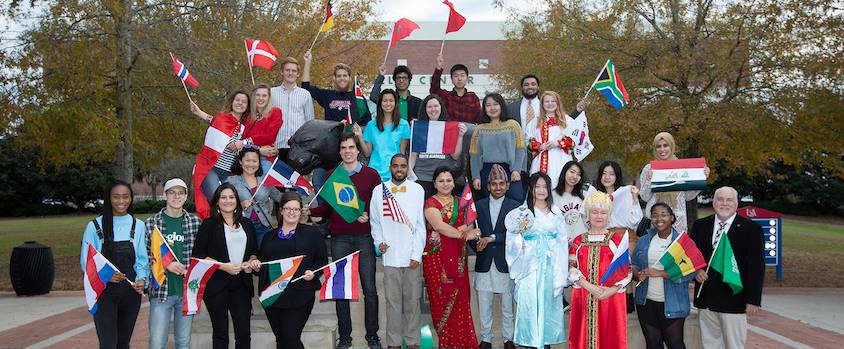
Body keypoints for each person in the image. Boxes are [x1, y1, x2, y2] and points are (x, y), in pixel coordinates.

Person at [305, 133, 383, 349]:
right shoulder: (333, 175)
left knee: (370, 289)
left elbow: (379, 205)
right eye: (343, 148)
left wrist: (367, 212)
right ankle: (345, 337)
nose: (348, 151)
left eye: (351, 147)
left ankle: (372, 335)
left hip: (364, 238)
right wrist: (308, 211)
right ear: (339, 152)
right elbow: (327, 209)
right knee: (341, 289)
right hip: (339, 239)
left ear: (358, 150)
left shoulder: (371, 175)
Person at [690, 186, 764, 349]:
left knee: (733, 345)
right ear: (714, 202)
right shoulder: (700, 225)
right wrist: (696, 270)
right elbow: (691, 256)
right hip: (707, 300)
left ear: (736, 203)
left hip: (735, 300)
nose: (724, 203)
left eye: (729, 200)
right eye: (720, 199)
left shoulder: (751, 229)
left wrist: (753, 300)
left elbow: (756, 267)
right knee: (710, 344)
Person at [80, 180, 148, 349]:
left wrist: (142, 279)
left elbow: (142, 259)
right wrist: (106, 275)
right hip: (103, 293)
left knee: (123, 343)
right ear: (108, 198)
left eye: (125, 197)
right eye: (116, 197)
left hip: (130, 293)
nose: (121, 201)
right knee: (108, 344)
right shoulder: (94, 226)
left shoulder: (138, 225)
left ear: (131, 199)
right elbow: (86, 261)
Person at [192, 183, 261, 349]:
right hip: (216, 285)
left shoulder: (247, 223)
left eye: (231, 197)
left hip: (242, 285)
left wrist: (251, 261)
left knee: (244, 333)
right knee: (220, 334)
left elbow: (253, 251)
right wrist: (224, 266)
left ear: (237, 201)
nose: (227, 200)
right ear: (217, 201)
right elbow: (199, 255)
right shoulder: (209, 225)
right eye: (223, 197)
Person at [369, 154, 426, 349]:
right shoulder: (378, 191)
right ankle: (393, 344)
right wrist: (379, 243)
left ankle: (413, 343)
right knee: (392, 305)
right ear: (390, 167)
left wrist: (416, 254)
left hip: (411, 257)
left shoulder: (417, 189)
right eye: (396, 166)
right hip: (390, 256)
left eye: (403, 166)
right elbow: (375, 222)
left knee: (412, 305)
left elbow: (420, 225)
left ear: (407, 168)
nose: (399, 169)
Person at [504, 172, 568, 348]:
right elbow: (512, 240)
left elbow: (562, 243)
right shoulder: (521, 213)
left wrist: (561, 271)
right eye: (537, 186)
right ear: (531, 189)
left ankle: (545, 342)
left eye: (544, 187)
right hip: (530, 265)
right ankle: (531, 341)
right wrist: (521, 243)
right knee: (530, 305)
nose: (541, 190)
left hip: (550, 264)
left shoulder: (556, 213)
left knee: (548, 305)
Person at [259, 192, 328, 349]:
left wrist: (314, 273)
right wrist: (257, 265)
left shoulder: (312, 234)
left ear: (300, 211)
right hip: (273, 296)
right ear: (281, 211)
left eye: (296, 209)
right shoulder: (268, 237)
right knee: (281, 340)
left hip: (300, 295)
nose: (292, 212)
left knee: (290, 338)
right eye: (288, 208)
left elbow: (321, 261)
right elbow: (263, 264)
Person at [422, 166, 480, 349]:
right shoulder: (430, 203)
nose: (445, 184)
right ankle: (447, 344)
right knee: (442, 302)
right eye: (441, 180)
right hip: (436, 260)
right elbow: (439, 227)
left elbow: (467, 225)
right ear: (434, 184)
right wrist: (464, 233)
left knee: (461, 302)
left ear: (454, 182)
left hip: (458, 258)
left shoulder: (460, 202)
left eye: (448, 180)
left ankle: (464, 344)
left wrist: (468, 230)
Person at [568, 191, 631, 349]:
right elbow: (571, 269)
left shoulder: (616, 240)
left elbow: (627, 271)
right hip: (583, 295)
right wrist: (591, 288)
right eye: (594, 212)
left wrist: (611, 290)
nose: (599, 216)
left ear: (608, 215)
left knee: (610, 338)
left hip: (611, 298)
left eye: (603, 212)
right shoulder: (578, 240)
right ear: (587, 215)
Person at [632, 203, 700, 349]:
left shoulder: (682, 242)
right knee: (652, 343)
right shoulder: (644, 240)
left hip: (673, 302)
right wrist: (637, 274)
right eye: (655, 215)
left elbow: (691, 271)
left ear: (672, 218)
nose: (659, 219)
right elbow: (634, 265)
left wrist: (660, 273)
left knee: (675, 344)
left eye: (663, 215)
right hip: (646, 301)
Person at [145, 178, 201, 349]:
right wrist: (164, 263)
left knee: (183, 342)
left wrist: (192, 270)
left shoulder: (195, 223)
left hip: (186, 291)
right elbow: (145, 255)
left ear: (186, 197)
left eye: (180, 193)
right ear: (165, 195)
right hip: (162, 291)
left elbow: (201, 255)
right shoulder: (151, 223)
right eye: (172, 192)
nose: (176, 196)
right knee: (157, 343)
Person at [468, 164, 520, 349]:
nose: (498, 187)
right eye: (494, 184)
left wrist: (493, 238)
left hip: (505, 263)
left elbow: (517, 236)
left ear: (507, 185)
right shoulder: (478, 206)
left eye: (501, 184)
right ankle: (486, 339)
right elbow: (471, 233)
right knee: (484, 305)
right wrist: (478, 243)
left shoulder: (515, 207)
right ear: (488, 186)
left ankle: (508, 339)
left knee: (507, 306)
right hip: (484, 262)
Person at [589, 160, 643, 313]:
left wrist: (633, 198)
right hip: (603, 236)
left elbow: (635, 220)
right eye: (604, 173)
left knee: (624, 264)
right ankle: (611, 299)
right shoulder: (595, 195)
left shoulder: (625, 193)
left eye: (611, 174)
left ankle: (628, 298)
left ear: (617, 176)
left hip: (624, 235)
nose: (607, 177)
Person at [639, 132, 710, 232]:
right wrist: (648, 180)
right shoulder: (649, 169)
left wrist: (701, 177)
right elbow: (645, 197)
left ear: (671, 146)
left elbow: (688, 196)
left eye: (665, 145)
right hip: (655, 221)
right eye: (658, 146)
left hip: (678, 221)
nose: (662, 149)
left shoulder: (681, 168)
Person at [191, 90, 254, 202]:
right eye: (237, 100)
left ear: (247, 106)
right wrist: (199, 112)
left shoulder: (245, 126)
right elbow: (213, 121)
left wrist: (243, 142)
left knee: (232, 202)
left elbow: (255, 140)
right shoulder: (222, 119)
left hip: (228, 172)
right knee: (218, 200)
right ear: (232, 102)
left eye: (244, 101)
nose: (240, 103)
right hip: (211, 168)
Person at [469, 93, 526, 201]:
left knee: (515, 202)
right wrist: (476, 177)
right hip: (487, 171)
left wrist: (516, 170)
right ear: (484, 108)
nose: (492, 108)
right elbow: (474, 155)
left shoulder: (513, 125)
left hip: (510, 170)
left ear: (501, 106)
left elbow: (520, 149)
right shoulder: (479, 129)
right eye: (488, 105)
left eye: (495, 104)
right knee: (491, 206)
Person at [409, 94, 467, 198]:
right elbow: (413, 155)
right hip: (422, 177)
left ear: (441, 107)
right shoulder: (419, 127)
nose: (433, 109)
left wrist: (460, 136)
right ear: (425, 109)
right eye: (429, 107)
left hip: (443, 178)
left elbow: (455, 156)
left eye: (436, 106)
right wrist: (409, 174)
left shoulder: (449, 127)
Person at [226, 147, 282, 248]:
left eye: (254, 161)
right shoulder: (231, 181)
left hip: (264, 227)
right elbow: (222, 204)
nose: (251, 164)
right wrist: (240, 205)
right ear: (240, 162)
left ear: (259, 163)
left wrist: (298, 198)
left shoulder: (265, 181)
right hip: (240, 227)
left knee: (262, 259)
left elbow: (280, 197)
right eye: (247, 160)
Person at [301, 49, 371, 125]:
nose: (342, 78)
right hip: (331, 135)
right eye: (339, 76)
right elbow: (305, 87)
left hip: (351, 135)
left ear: (350, 78)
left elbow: (367, 123)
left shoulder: (357, 97)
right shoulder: (327, 95)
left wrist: (351, 126)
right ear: (334, 78)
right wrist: (307, 63)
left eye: (345, 76)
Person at [355, 89, 411, 181]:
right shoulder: (371, 125)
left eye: (391, 101)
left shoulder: (404, 125)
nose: (388, 104)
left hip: (394, 174)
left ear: (395, 103)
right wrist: (360, 137)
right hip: (374, 173)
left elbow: (402, 153)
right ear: (380, 103)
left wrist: (406, 170)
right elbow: (367, 153)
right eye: (385, 101)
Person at [526, 91, 578, 189]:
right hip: (540, 161)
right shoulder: (534, 122)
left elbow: (574, 141)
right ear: (542, 104)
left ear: (558, 103)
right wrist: (539, 146)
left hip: (561, 159)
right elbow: (528, 141)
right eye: (547, 101)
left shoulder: (568, 120)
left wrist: (558, 143)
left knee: (560, 184)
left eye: (553, 101)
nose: (550, 104)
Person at [271, 57, 315, 162]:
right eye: (287, 70)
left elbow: (310, 122)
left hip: (298, 148)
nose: (290, 73)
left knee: (296, 178)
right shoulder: (272, 92)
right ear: (282, 72)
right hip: (276, 147)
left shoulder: (305, 94)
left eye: (293, 71)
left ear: (298, 74)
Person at [430, 53, 481, 124]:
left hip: (468, 133)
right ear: (451, 79)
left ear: (467, 78)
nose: (459, 79)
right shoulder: (446, 96)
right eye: (456, 76)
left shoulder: (473, 97)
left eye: (462, 75)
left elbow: (479, 119)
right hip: (450, 133)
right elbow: (434, 90)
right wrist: (438, 67)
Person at [246, 83, 283, 174]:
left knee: (265, 186)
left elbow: (268, 136)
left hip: (265, 157)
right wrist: (257, 149)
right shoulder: (247, 115)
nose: (260, 98)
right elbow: (242, 138)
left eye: (264, 95)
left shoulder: (275, 112)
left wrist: (247, 142)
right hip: (246, 156)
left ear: (269, 98)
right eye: (257, 95)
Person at [553, 161, 589, 239]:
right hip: (561, 242)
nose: (575, 176)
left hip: (582, 243)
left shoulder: (585, 195)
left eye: (578, 174)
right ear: (564, 172)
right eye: (572, 172)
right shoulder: (552, 195)